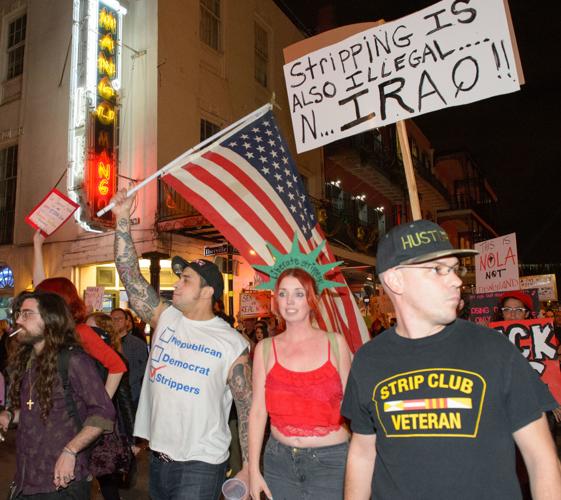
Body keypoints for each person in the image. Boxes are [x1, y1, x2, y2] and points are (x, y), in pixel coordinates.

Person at [342, 220, 561, 500]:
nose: (457, 280)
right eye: (437, 269)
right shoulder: (368, 360)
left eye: (455, 269)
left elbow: (541, 459)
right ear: (396, 280)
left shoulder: (496, 351)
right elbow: (362, 452)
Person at [110, 189, 252, 500]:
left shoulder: (232, 344)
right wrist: (123, 220)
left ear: (207, 292)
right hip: (159, 457)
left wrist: (250, 467)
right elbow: (130, 277)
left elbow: (247, 410)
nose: (176, 283)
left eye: (186, 279)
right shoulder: (166, 318)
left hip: (201, 464)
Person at [248, 239, 352, 500]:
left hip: (332, 463)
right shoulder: (264, 348)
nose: (289, 301)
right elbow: (258, 412)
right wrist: (252, 469)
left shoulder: (335, 344)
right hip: (278, 462)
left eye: (298, 293)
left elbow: (355, 410)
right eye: (282, 293)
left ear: (311, 298)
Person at [0, 292, 115, 498]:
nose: (18, 320)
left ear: (50, 318)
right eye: (18, 314)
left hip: (62, 483)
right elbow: (32, 410)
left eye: (27, 314)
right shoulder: (27, 361)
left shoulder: (74, 360)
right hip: (26, 480)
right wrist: (9, 415)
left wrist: (70, 451)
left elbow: (103, 413)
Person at [33, 231, 127, 397]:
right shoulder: (49, 330)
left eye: (43, 301)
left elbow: (117, 366)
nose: (38, 305)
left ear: (57, 303)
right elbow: (39, 287)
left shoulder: (80, 332)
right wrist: (37, 245)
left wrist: (101, 408)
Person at [111, 307, 148, 410]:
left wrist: (123, 383)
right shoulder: (106, 343)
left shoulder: (137, 344)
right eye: (113, 318)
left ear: (127, 321)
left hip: (131, 393)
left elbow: (142, 368)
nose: (117, 321)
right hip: (111, 394)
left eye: (120, 318)